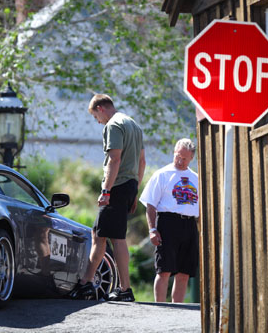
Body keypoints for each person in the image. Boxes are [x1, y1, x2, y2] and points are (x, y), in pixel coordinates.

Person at [69, 94, 145, 302]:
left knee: (114, 237)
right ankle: (89, 282)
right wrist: (135, 190)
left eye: (96, 117)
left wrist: (106, 191)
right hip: (129, 185)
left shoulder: (113, 125)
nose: (98, 121)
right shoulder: (134, 126)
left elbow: (114, 158)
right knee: (100, 234)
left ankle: (122, 289)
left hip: (117, 186)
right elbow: (142, 161)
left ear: (101, 108)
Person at [139, 138, 199, 303]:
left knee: (184, 272)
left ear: (191, 158)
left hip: (189, 225)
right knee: (164, 270)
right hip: (167, 223)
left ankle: (177, 308)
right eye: (177, 156)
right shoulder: (162, 174)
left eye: (184, 158)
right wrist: (152, 230)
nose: (180, 160)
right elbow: (150, 205)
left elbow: (200, 209)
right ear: (174, 153)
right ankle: (159, 306)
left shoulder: (196, 178)